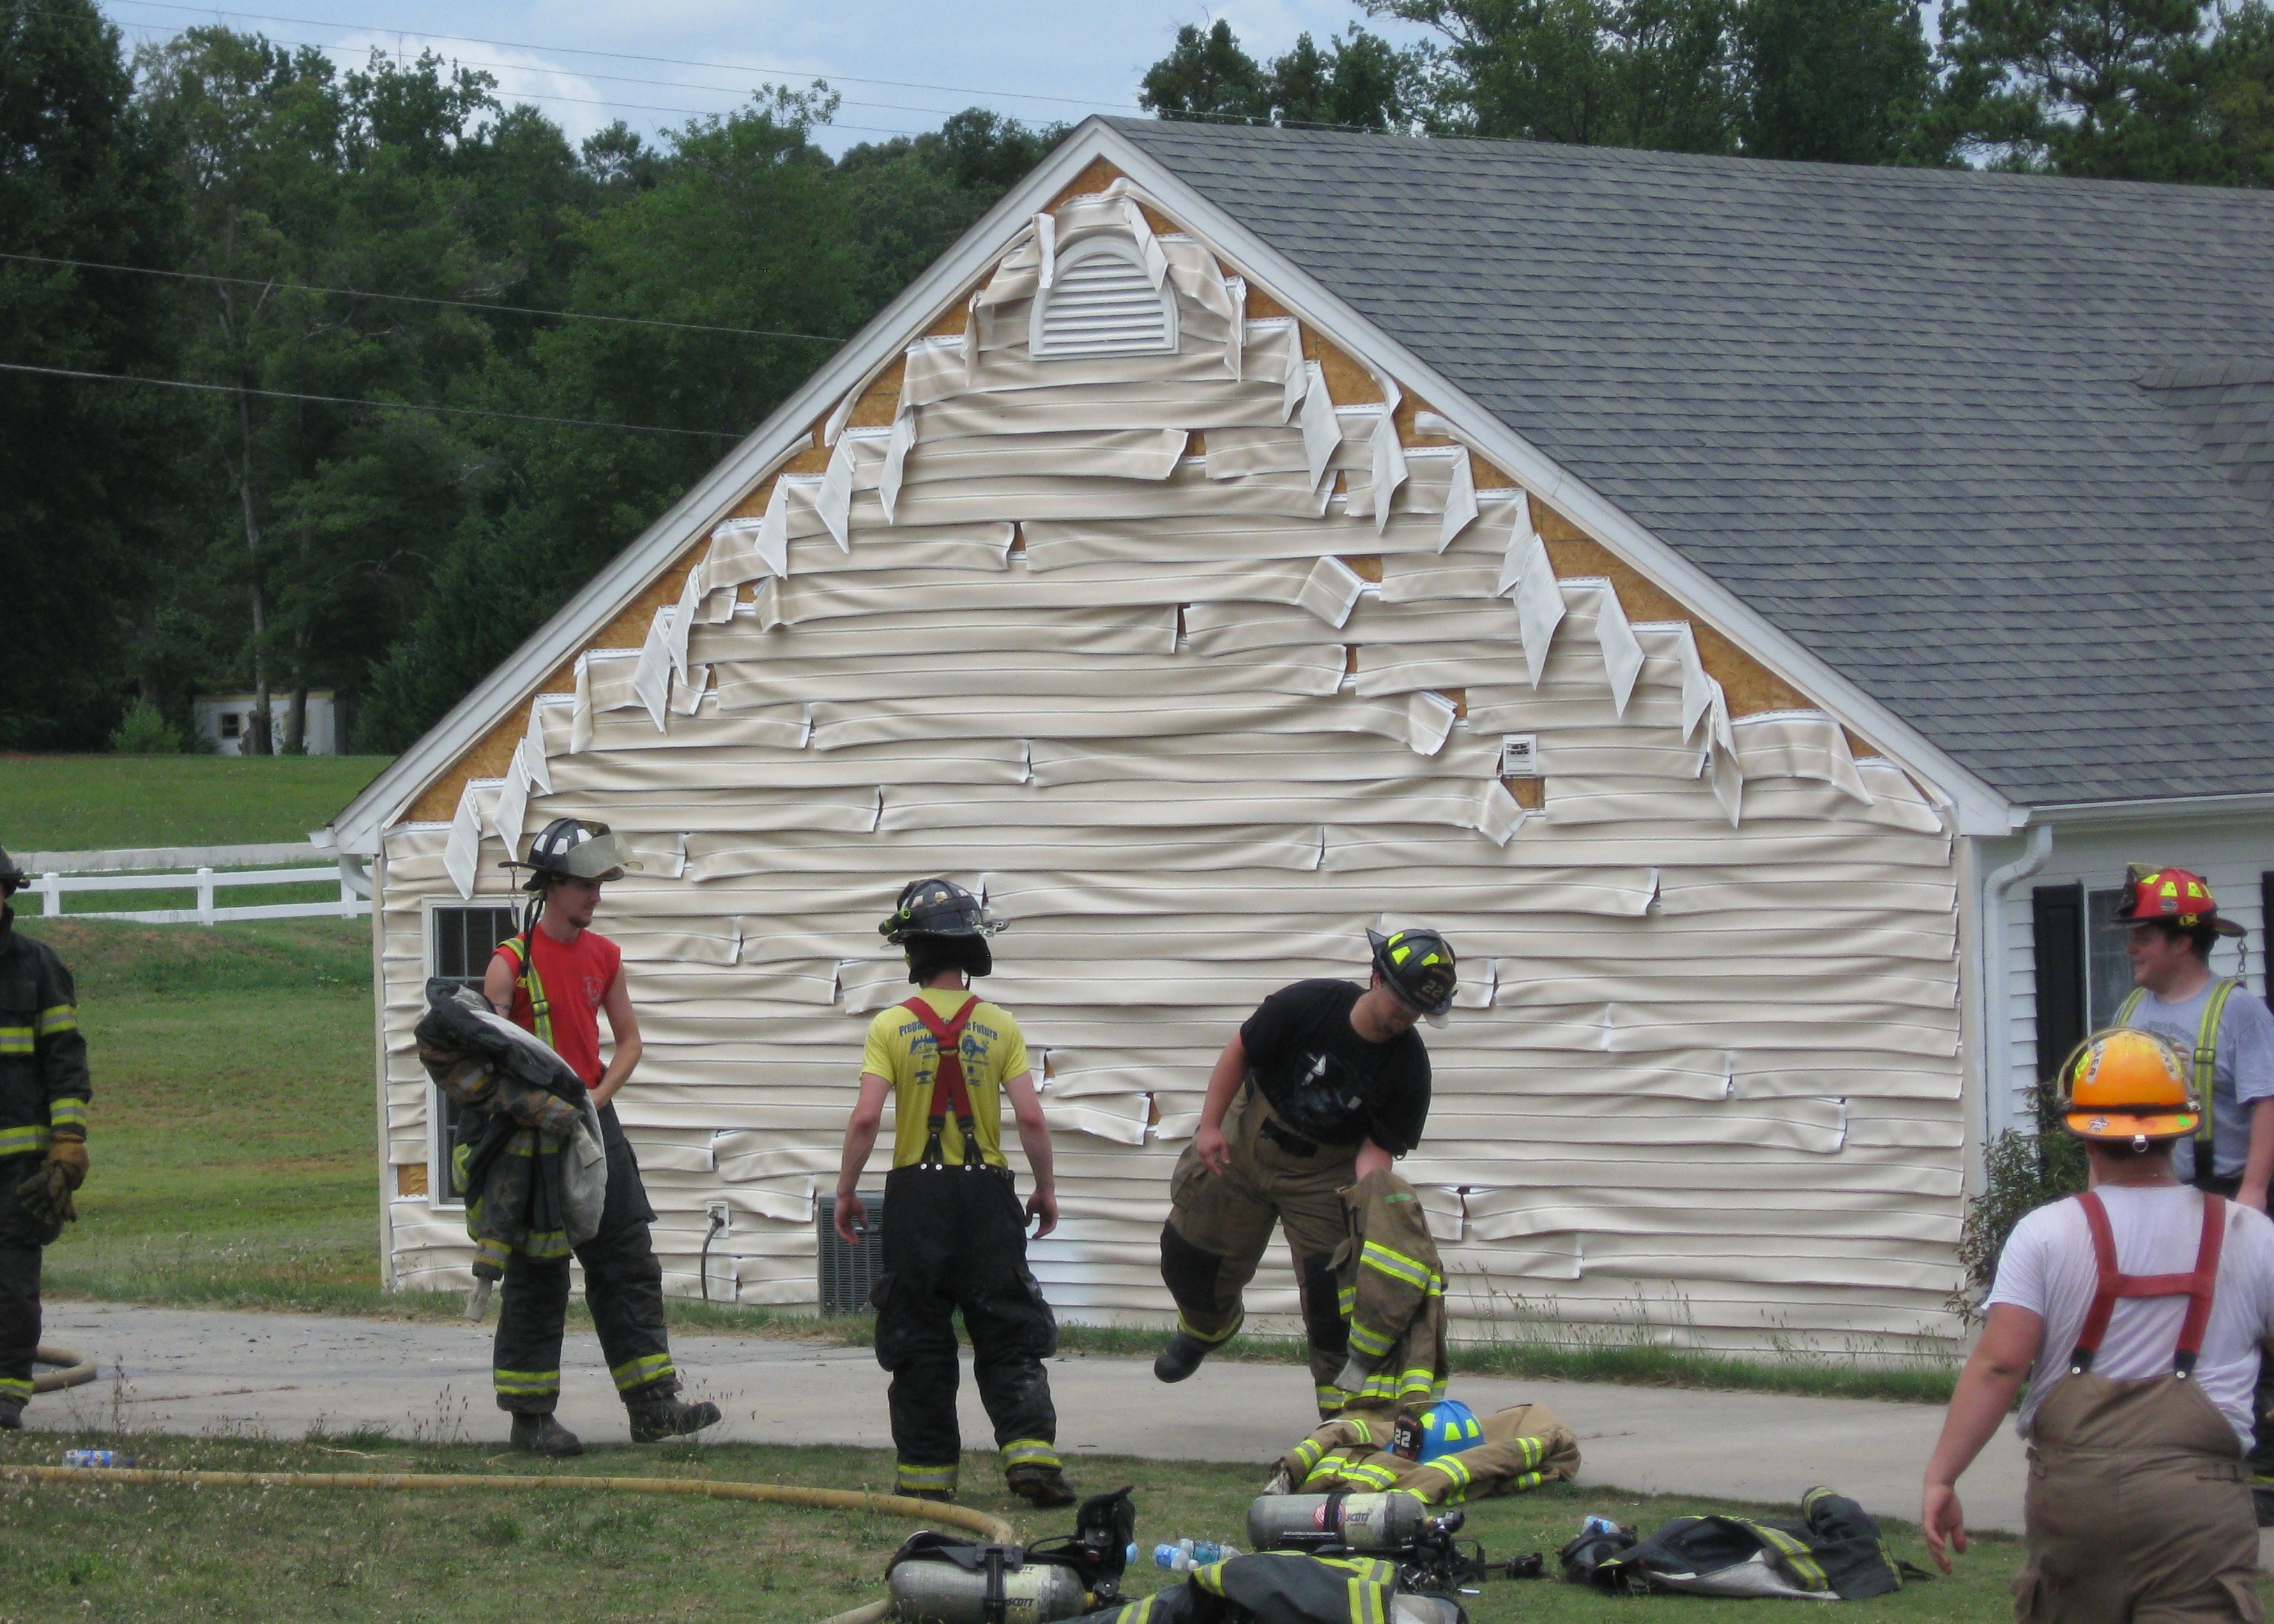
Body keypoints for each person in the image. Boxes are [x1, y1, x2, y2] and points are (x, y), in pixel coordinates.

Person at [1922, 1026, 2274, 1620]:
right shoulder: (2251, 1234)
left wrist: (1942, 1476)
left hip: (2074, 1501)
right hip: (2198, 1503)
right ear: (2183, 1128)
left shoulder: (2045, 1234)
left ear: (2083, 1133)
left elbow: (2000, 1365)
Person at [478, 817, 719, 1455]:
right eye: (586, 884)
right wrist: (545, 1109)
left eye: (601, 885)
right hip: (532, 1135)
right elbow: (489, 1063)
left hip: (593, 1124)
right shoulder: (509, 965)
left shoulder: (605, 957)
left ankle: (654, 1406)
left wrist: (596, 1101)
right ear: (552, 886)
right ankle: (531, 1419)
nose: (595, 896)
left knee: (627, 1260)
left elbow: (629, 1042)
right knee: (538, 1275)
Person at [832, 876, 1072, 1508]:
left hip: (917, 1200)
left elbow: (865, 1119)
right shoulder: (1000, 1025)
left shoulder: (890, 1027)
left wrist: (846, 1192)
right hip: (987, 1198)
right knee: (1008, 1329)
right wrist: (1045, 1189)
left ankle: (927, 1477)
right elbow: (1032, 1119)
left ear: (912, 951)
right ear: (970, 951)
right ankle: (1031, 1457)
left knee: (918, 1337)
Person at [1153, 928, 1456, 1416]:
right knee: (1190, 1258)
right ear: (1377, 978)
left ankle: (1341, 1419)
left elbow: (1376, 1151)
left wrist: (1369, 1207)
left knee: (1333, 1298)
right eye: (1401, 999)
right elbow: (1239, 1052)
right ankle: (1207, 1328)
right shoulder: (1310, 1003)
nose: (1406, 1015)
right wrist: (1209, 1126)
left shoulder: (1409, 1069)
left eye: (1417, 1009)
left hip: (1325, 1174)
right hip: (1247, 1138)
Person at [2106, 865, 2274, 1206]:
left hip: (2222, 1196)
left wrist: (2253, 1193)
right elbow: (2106, 1114)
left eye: (2143, 938)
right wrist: (2099, 1196)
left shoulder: (2238, 1010)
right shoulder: (2128, 1012)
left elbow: (2268, 1103)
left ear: (2182, 942)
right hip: (2145, 1199)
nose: (2130, 949)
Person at [0, 846, 90, 1430]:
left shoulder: (36, 967)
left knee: (11, 1288)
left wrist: (68, 1141)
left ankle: (6, 1396)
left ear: (6, 893)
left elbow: (65, 1061)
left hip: (18, 1170)